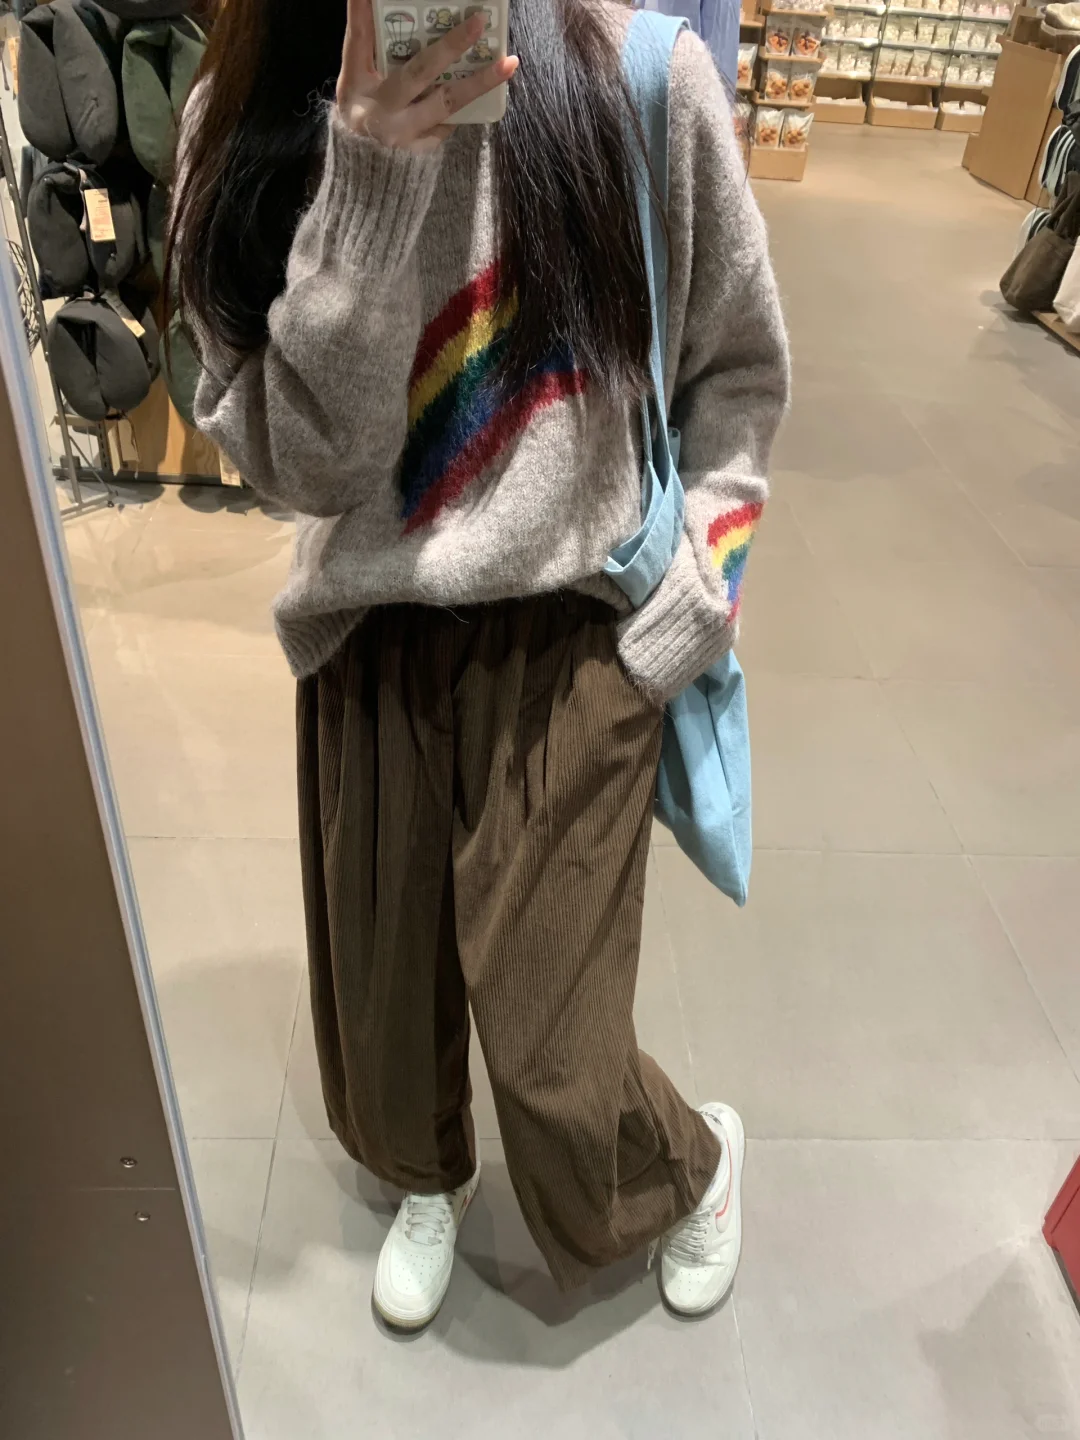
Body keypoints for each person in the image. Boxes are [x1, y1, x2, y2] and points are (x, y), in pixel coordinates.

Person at [169, 0, 788, 1332]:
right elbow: (303, 471)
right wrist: (366, 186)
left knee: (560, 1057)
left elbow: (739, 377)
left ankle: (690, 1166)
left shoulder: (641, 79)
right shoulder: (239, 114)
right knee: (384, 1015)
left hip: (580, 627)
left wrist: (695, 607)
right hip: (371, 632)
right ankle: (427, 1176)